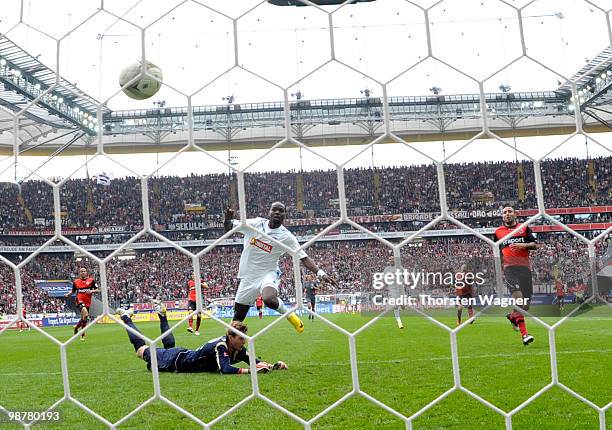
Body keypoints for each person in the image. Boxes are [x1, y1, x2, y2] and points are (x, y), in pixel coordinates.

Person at [224, 202, 337, 333]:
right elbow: (229, 227)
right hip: (248, 277)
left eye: (281, 211)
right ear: (269, 212)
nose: (277, 212)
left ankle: (289, 314)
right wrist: (227, 219)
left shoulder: (286, 237)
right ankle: (228, 348)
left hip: (268, 274)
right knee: (236, 322)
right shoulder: (255, 224)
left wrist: (321, 273)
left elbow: (304, 257)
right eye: (275, 210)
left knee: (269, 300)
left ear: (284, 215)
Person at [116, 303, 287, 374]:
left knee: (167, 346)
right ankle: (125, 317)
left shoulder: (237, 348)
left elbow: (253, 360)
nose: (244, 341)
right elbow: (225, 370)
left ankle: (162, 316)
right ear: (230, 336)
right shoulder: (221, 346)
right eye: (241, 338)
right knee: (141, 351)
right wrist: (252, 372)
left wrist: (273, 366)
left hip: (180, 355)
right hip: (175, 361)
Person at [494, 207, 537, 346]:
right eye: (505, 212)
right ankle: (525, 335)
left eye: (510, 212)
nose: (507, 214)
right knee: (519, 300)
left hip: (525, 269)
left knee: (525, 306)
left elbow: (534, 245)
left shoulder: (524, 228)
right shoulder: (498, 232)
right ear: (502, 216)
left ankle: (512, 316)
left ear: (515, 214)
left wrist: (523, 245)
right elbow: (497, 251)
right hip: (510, 270)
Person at [64, 267, 98, 341]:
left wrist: (92, 291)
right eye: (81, 271)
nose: (83, 272)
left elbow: (98, 289)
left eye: (84, 271)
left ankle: (76, 328)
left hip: (88, 302)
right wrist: (67, 294)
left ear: (86, 272)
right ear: (79, 273)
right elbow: (73, 291)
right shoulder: (76, 282)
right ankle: (83, 335)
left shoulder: (91, 281)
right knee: (86, 315)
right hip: (79, 300)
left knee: (84, 318)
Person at [382, 256, 405, 329]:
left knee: (403, 306)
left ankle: (399, 306)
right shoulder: (386, 269)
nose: (390, 260)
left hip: (400, 288)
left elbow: (405, 274)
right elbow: (384, 279)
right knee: (395, 306)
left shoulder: (399, 267)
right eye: (389, 259)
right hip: (392, 289)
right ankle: (399, 322)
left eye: (392, 259)